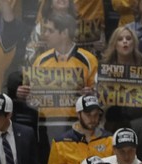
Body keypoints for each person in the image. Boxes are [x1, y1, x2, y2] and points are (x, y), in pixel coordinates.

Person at [24, 12, 101, 142]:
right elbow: (32, 99)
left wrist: (92, 93)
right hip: (46, 124)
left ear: (64, 33)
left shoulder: (88, 60)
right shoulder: (41, 60)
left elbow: (101, 95)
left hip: (78, 124)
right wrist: (26, 94)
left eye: (50, 30)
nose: (45, 34)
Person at [46, 95, 113, 164]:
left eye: (96, 115)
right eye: (88, 115)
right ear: (78, 114)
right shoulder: (61, 143)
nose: (92, 119)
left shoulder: (109, 140)